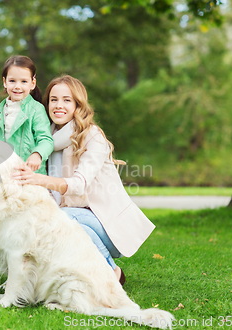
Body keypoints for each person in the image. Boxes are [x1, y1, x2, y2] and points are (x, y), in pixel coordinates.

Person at [12, 75, 155, 285]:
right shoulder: (44, 141)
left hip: (107, 226)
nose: (58, 105)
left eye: (66, 100)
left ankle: (112, 272)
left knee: (62, 218)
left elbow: (78, 185)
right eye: (53, 100)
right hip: (75, 220)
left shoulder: (92, 136)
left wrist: (38, 179)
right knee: (45, 220)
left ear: (78, 105)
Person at [0, 55, 53, 174]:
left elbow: (46, 139)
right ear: (5, 82)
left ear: (32, 83)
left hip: (31, 174)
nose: (17, 86)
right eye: (12, 81)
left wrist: (37, 154)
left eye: (24, 81)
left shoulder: (36, 110)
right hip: (6, 174)